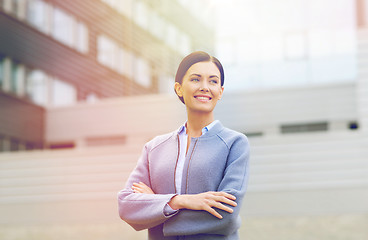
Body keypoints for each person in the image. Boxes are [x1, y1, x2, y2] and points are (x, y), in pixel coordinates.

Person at [117, 51, 250, 239]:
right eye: (196, 79)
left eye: (213, 81)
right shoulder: (154, 148)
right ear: (179, 88)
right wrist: (181, 201)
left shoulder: (234, 144)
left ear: (220, 91)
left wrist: (155, 206)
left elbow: (226, 215)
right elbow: (126, 206)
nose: (205, 87)